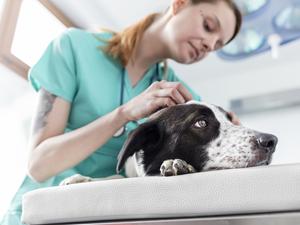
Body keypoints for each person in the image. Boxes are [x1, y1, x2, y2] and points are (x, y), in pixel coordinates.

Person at [1, 0, 242, 224]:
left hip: (104, 216)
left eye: (217, 46)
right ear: (180, 3)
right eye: (209, 26)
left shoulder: (184, 101)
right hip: (39, 213)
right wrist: (124, 113)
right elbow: (39, 165)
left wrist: (233, 137)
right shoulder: (73, 47)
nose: (209, 45)